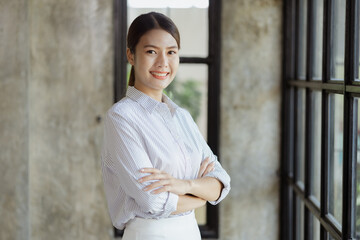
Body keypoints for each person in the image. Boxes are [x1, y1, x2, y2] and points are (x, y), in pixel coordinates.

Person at [101, 12, 230, 240]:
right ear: (131, 55)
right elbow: (153, 200)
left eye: (171, 52)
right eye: (151, 51)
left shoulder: (182, 117)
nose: (163, 62)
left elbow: (221, 182)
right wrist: (200, 196)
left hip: (190, 232)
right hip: (150, 234)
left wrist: (184, 184)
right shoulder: (121, 117)